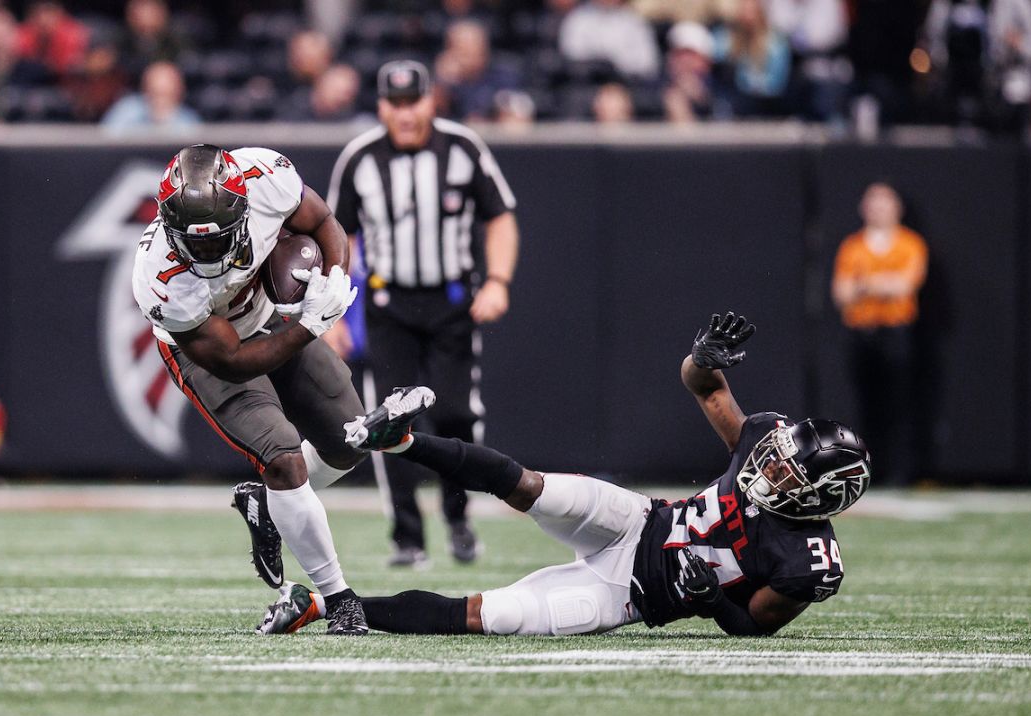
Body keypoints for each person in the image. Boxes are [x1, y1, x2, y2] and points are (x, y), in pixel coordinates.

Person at [255, 310, 871, 637]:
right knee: (528, 485)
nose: (773, 463)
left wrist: (713, 601)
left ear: (822, 496)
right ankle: (400, 440)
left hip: (631, 594)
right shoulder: (763, 439)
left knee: (498, 615)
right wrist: (701, 358)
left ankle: (330, 607)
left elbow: (753, 627)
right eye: (780, 454)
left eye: (791, 471)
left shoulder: (808, 560)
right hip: (644, 520)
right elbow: (707, 390)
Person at [131, 144, 431, 634]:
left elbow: (325, 223)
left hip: (268, 317)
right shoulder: (162, 280)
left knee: (350, 442)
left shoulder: (264, 178)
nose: (207, 253)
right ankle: (339, 599)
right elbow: (233, 361)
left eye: (216, 240)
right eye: (194, 242)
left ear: (242, 205)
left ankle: (265, 503)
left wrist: (333, 280)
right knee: (282, 458)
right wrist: (311, 326)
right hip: (212, 347)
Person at [326, 60, 520, 568]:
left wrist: (497, 281)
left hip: (452, 302)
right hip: (388, 306)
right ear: (381, 106)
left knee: (457, 413)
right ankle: (407, 536)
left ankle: (458, 517)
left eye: (414, 101)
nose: (406, 113)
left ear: (432, 101)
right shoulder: (360, 158)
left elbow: (500, 216)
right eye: (396, 103)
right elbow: (336, 238)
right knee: (388, 419)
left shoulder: (462, 148)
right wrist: (333, 314)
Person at [830, 182, 927, 487]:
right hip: (861, 333)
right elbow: (842, 294)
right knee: (863, 405)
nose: (878, 210)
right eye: (873, 203)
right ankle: (864, 471)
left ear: (897, 208)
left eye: (885, 203)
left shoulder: (910, 243)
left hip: (895, 333)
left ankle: (900, 473)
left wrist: (864, 284)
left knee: (899, 404)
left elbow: (904, 285)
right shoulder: (852, 246)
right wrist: (878, 282)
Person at [101, 60, 200, 133]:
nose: (160, 101)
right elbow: (105, 141)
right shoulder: (126, 110)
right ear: (145, 89)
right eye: (155, 93)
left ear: (179, 92)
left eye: (165, 94)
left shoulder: (188, 120)